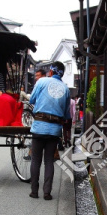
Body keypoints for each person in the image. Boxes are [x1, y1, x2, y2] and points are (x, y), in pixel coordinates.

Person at [28, 62, 71, 200]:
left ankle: (34, 191)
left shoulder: (42, 82)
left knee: (35, 160)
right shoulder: (66, 89)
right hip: (54, 129)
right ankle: (47, 192)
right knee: (48, 161)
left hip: (39, 125)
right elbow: (66, 115)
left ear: (51, 72)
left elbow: (32, 99)